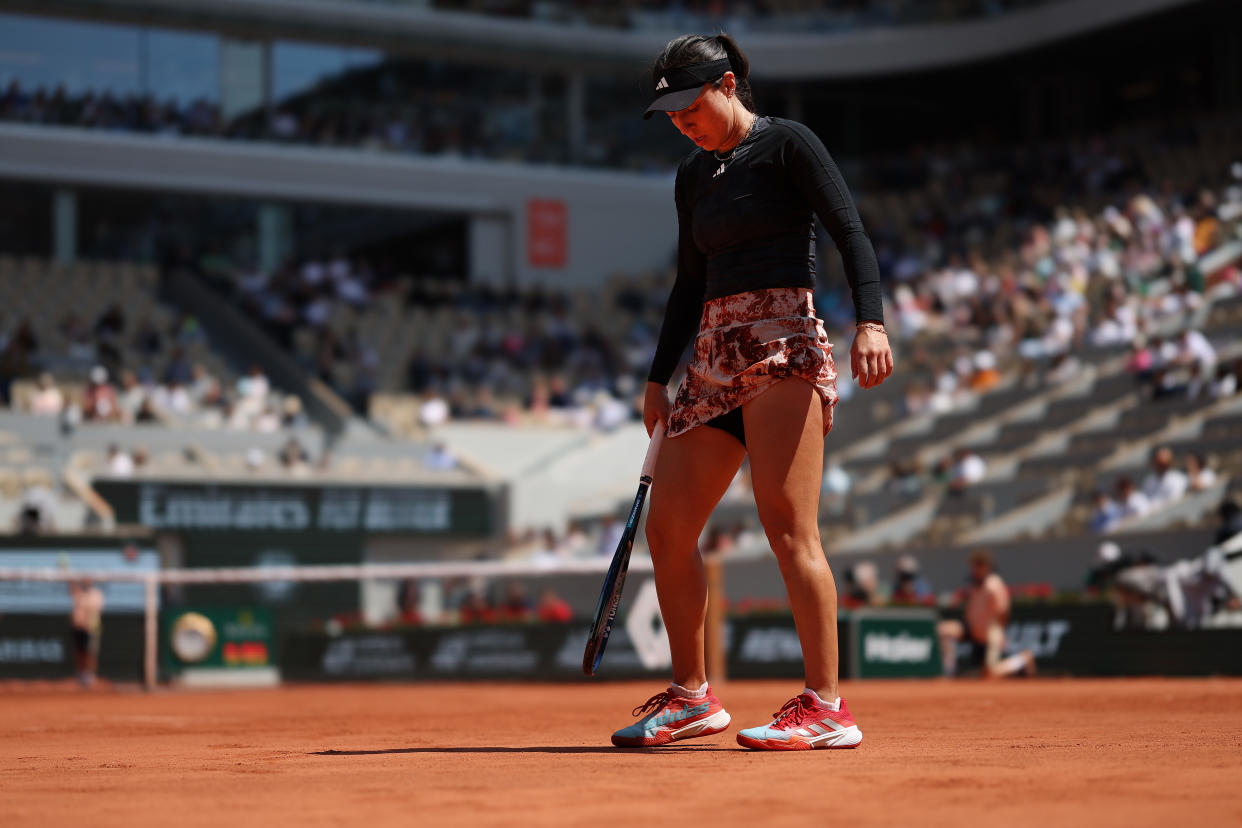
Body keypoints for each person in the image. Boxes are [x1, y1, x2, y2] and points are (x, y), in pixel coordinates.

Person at [610, 33, 891, 752]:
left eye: (689, 105)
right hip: (712, 359)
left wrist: (871, 321)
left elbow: (850, 232)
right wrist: (656, 376)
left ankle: (828, 705)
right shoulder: (692, 176)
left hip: (783, 347)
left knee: (788, 529)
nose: (681, 121)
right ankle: (690, 698)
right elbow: (687, 283)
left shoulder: (789, 143)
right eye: (669, 113)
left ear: (728, 84)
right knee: (668, 528)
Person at [937, 550, 1035, 679]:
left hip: (989, 634)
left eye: (978, 566)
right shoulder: (972, 585)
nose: (975, 569)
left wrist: (997, 634)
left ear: (987, 567)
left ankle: (1022, 659)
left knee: (989, 673)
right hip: (971, 630)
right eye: (974, 566)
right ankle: (949, 672)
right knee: (943, 630)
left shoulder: (994, 585)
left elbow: (1003, 613)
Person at [69, 578, 105, 687]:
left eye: (88, 581)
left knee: (90, 652)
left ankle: (90, 676)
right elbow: (71, 589)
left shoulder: (96, 594)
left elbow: (97, 608)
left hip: (91, 628)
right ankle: (80, 675)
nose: (86, 583)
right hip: (78, 627)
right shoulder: (78, 593)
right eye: (84, 581)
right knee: (79, 651)